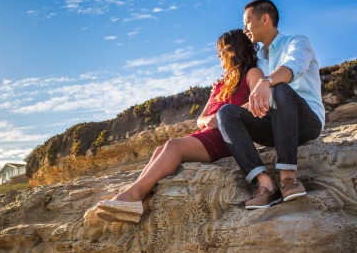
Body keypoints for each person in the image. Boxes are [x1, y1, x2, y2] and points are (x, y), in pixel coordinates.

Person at [84, 29, 261, 224]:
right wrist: (208, 120)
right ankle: (134, 198)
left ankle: (134, 195)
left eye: (221, 50)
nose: (218, 55)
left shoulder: (252, 73)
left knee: (174, 146)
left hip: (228, 136)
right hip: (208, 133)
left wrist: (222, 117)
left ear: (233, 50)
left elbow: (258, 102)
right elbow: (200, 118)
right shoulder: (220, 84)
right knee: (161, 149)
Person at [216, 0, 325, 210]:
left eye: (247, 21)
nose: (245, 28)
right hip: (275, 126)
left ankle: (288, 178)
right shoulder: (259, 61)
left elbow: (292, 68)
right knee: (227, 113)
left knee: (281, 89)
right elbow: (253, 95)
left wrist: (267, 81)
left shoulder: (297, 42)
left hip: (307, 122)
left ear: (265, 18)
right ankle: (265, 185)